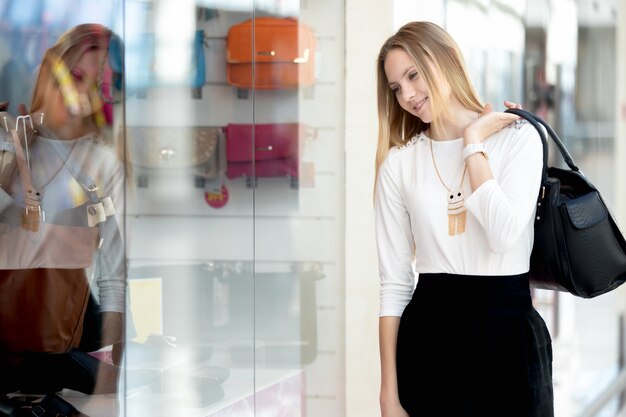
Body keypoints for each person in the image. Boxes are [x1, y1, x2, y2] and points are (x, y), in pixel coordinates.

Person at [374, 21, 554, 416]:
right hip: (430, 343)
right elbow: (394, 284)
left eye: (412, 75)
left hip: (511, 340)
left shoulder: (518, 138)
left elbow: (503, 234)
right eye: (395, 88)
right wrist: (388, 393)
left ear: (448, 59)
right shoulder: (399, 165)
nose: (407, 95)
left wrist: (473, 143)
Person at [0, 23, 127, 397]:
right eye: (73, 76)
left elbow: (113, 273)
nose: (79, 96)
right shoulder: (8, 137)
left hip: (54, 351)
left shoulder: (98, 164)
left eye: (97, 87)